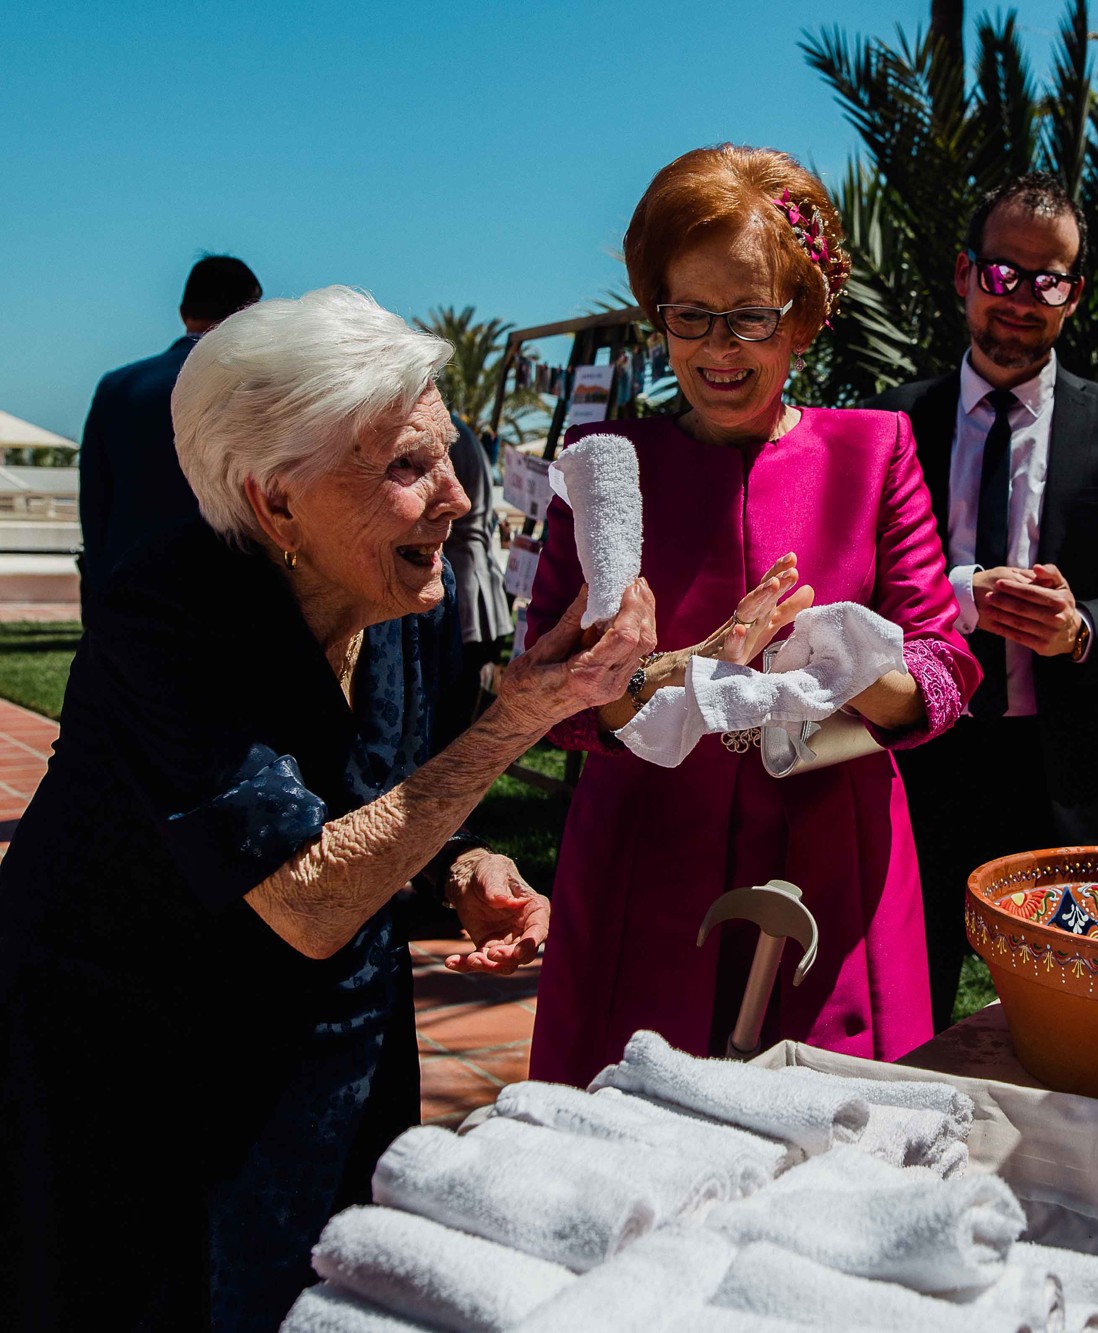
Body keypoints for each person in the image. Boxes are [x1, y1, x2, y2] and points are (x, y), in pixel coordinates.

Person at [0, 286, 665, 1330]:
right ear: (274, 504)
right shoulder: (164, 621)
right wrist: (517, 724)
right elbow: (304, 893)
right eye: (407, 466)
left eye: (448, 453)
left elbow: (417, 780)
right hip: (133, 1069)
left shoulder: (399, 592)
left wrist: (466, 869)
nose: (456, 496)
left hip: (332, 1047)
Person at [523, 145, 980, 1084]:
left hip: (832, 865)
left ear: (803, 318)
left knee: (831, 1152)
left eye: (749, 319)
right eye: (688, 316)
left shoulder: (876, 450)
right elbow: (551, 694)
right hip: (642, 863)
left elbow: (943, 668)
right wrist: (682, 670)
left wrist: (841, 672)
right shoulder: (605, 466)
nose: (716, 350)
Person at [867, 174, 1098, 1029]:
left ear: (1073, 294)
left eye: (1046, 280)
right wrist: (957, 596)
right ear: (964, 275)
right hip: (916, 762)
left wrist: (1083, 630)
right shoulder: (890, 425)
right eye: (1002, 274)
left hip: (1062, 774)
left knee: (1076, 1025)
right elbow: (850, 596)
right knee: (907, 1011)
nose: (1020, 299)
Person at [78, 253, 261, 606]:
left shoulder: (117, 386)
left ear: (182, 312)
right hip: (227, 587)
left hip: (127, 587)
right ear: (248, 318)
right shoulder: (252, 388)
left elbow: (95, 500)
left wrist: (101, 584)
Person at [440, 410, 513, 735]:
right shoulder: (461, 431)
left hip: (463, 583)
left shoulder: (446, 430)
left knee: (449, 714)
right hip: (475, 580)